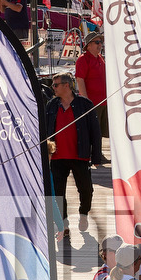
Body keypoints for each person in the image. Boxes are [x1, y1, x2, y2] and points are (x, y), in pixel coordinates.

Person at [46, 74, 103, 241]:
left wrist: (97, 156)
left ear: (67, 86)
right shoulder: (51, 105)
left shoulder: (85, 105)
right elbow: (45, 130)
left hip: (80, 155)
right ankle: (63, 225)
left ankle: (83, 213)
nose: (53, 88)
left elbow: (95, 132)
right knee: (58, 194)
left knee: (86, 189)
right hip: (57, 157)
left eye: (55, 85)